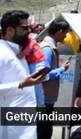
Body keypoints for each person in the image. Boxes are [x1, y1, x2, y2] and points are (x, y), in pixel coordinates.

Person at [1, 10, 48, 139]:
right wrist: (20, 84)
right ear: (10, 30)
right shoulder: (2, 52)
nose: (28, 31)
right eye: (24, 28)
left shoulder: (20, 51)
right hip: (10, 129)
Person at [37, 17, 71, 139]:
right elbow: (43, 75)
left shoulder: (49, 47)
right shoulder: (47, 49)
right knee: (44, 131)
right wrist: (62, 69)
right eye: (65, 33)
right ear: (59, 31)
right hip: (44, 98)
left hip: (46, 97)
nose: (65, 37)